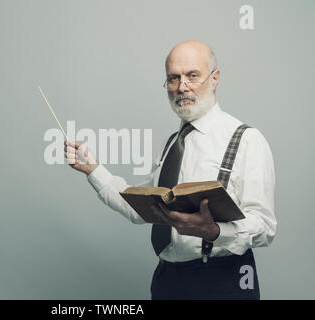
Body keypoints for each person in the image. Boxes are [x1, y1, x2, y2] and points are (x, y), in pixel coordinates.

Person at [64, 40, 276, 300]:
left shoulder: (246, 139)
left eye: (192, 75)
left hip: (221, 281)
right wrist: (93, 169)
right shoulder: (172, 144)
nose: (182, 86)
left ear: (215, 78)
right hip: (167, 281)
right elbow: (141, 208)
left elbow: (264, 227)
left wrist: (215, 232)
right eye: (173, 78)